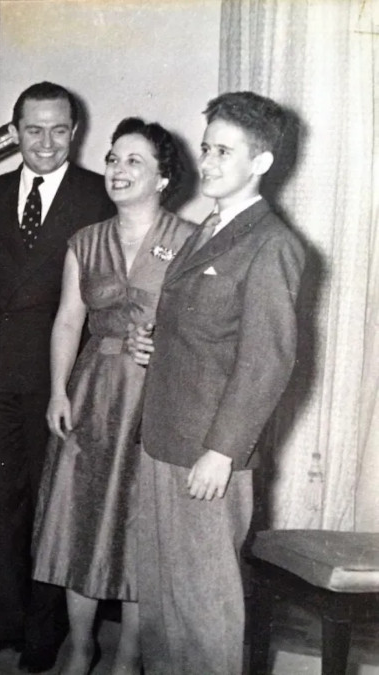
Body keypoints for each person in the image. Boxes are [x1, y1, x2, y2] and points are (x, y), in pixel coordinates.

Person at [129, 92, 305, 675]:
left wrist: (223, 451)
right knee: (161, 600)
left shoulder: (272, 244)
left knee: (205, 609)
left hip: (207, 454)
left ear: (261, 162)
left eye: (223, 152)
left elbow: (267, 361)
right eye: (205, 148)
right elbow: (202, 329)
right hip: (164, 439)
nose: (206, 162)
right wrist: (151, 344)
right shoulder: (205, 227)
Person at [0, 81, 116, 673]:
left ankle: (45, 635)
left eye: (58, 129)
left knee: (54, 508)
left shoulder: (98, 196)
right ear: (14, 132)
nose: (45, 142)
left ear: (74, 133)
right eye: (33, 129)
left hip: (64, 379)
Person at [31, 118, 195, 675]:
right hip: (93, 395)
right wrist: (57, 391)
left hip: (157, 400)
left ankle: (129, 655)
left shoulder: (191, 241)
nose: (118, 171)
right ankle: (80, 646)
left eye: (134, 161)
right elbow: (67, 322)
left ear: (163, 178)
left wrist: (167, 342)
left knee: (140, 527)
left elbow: (205, 332)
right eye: (112, 159)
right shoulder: (85, 241)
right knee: (80, 521)